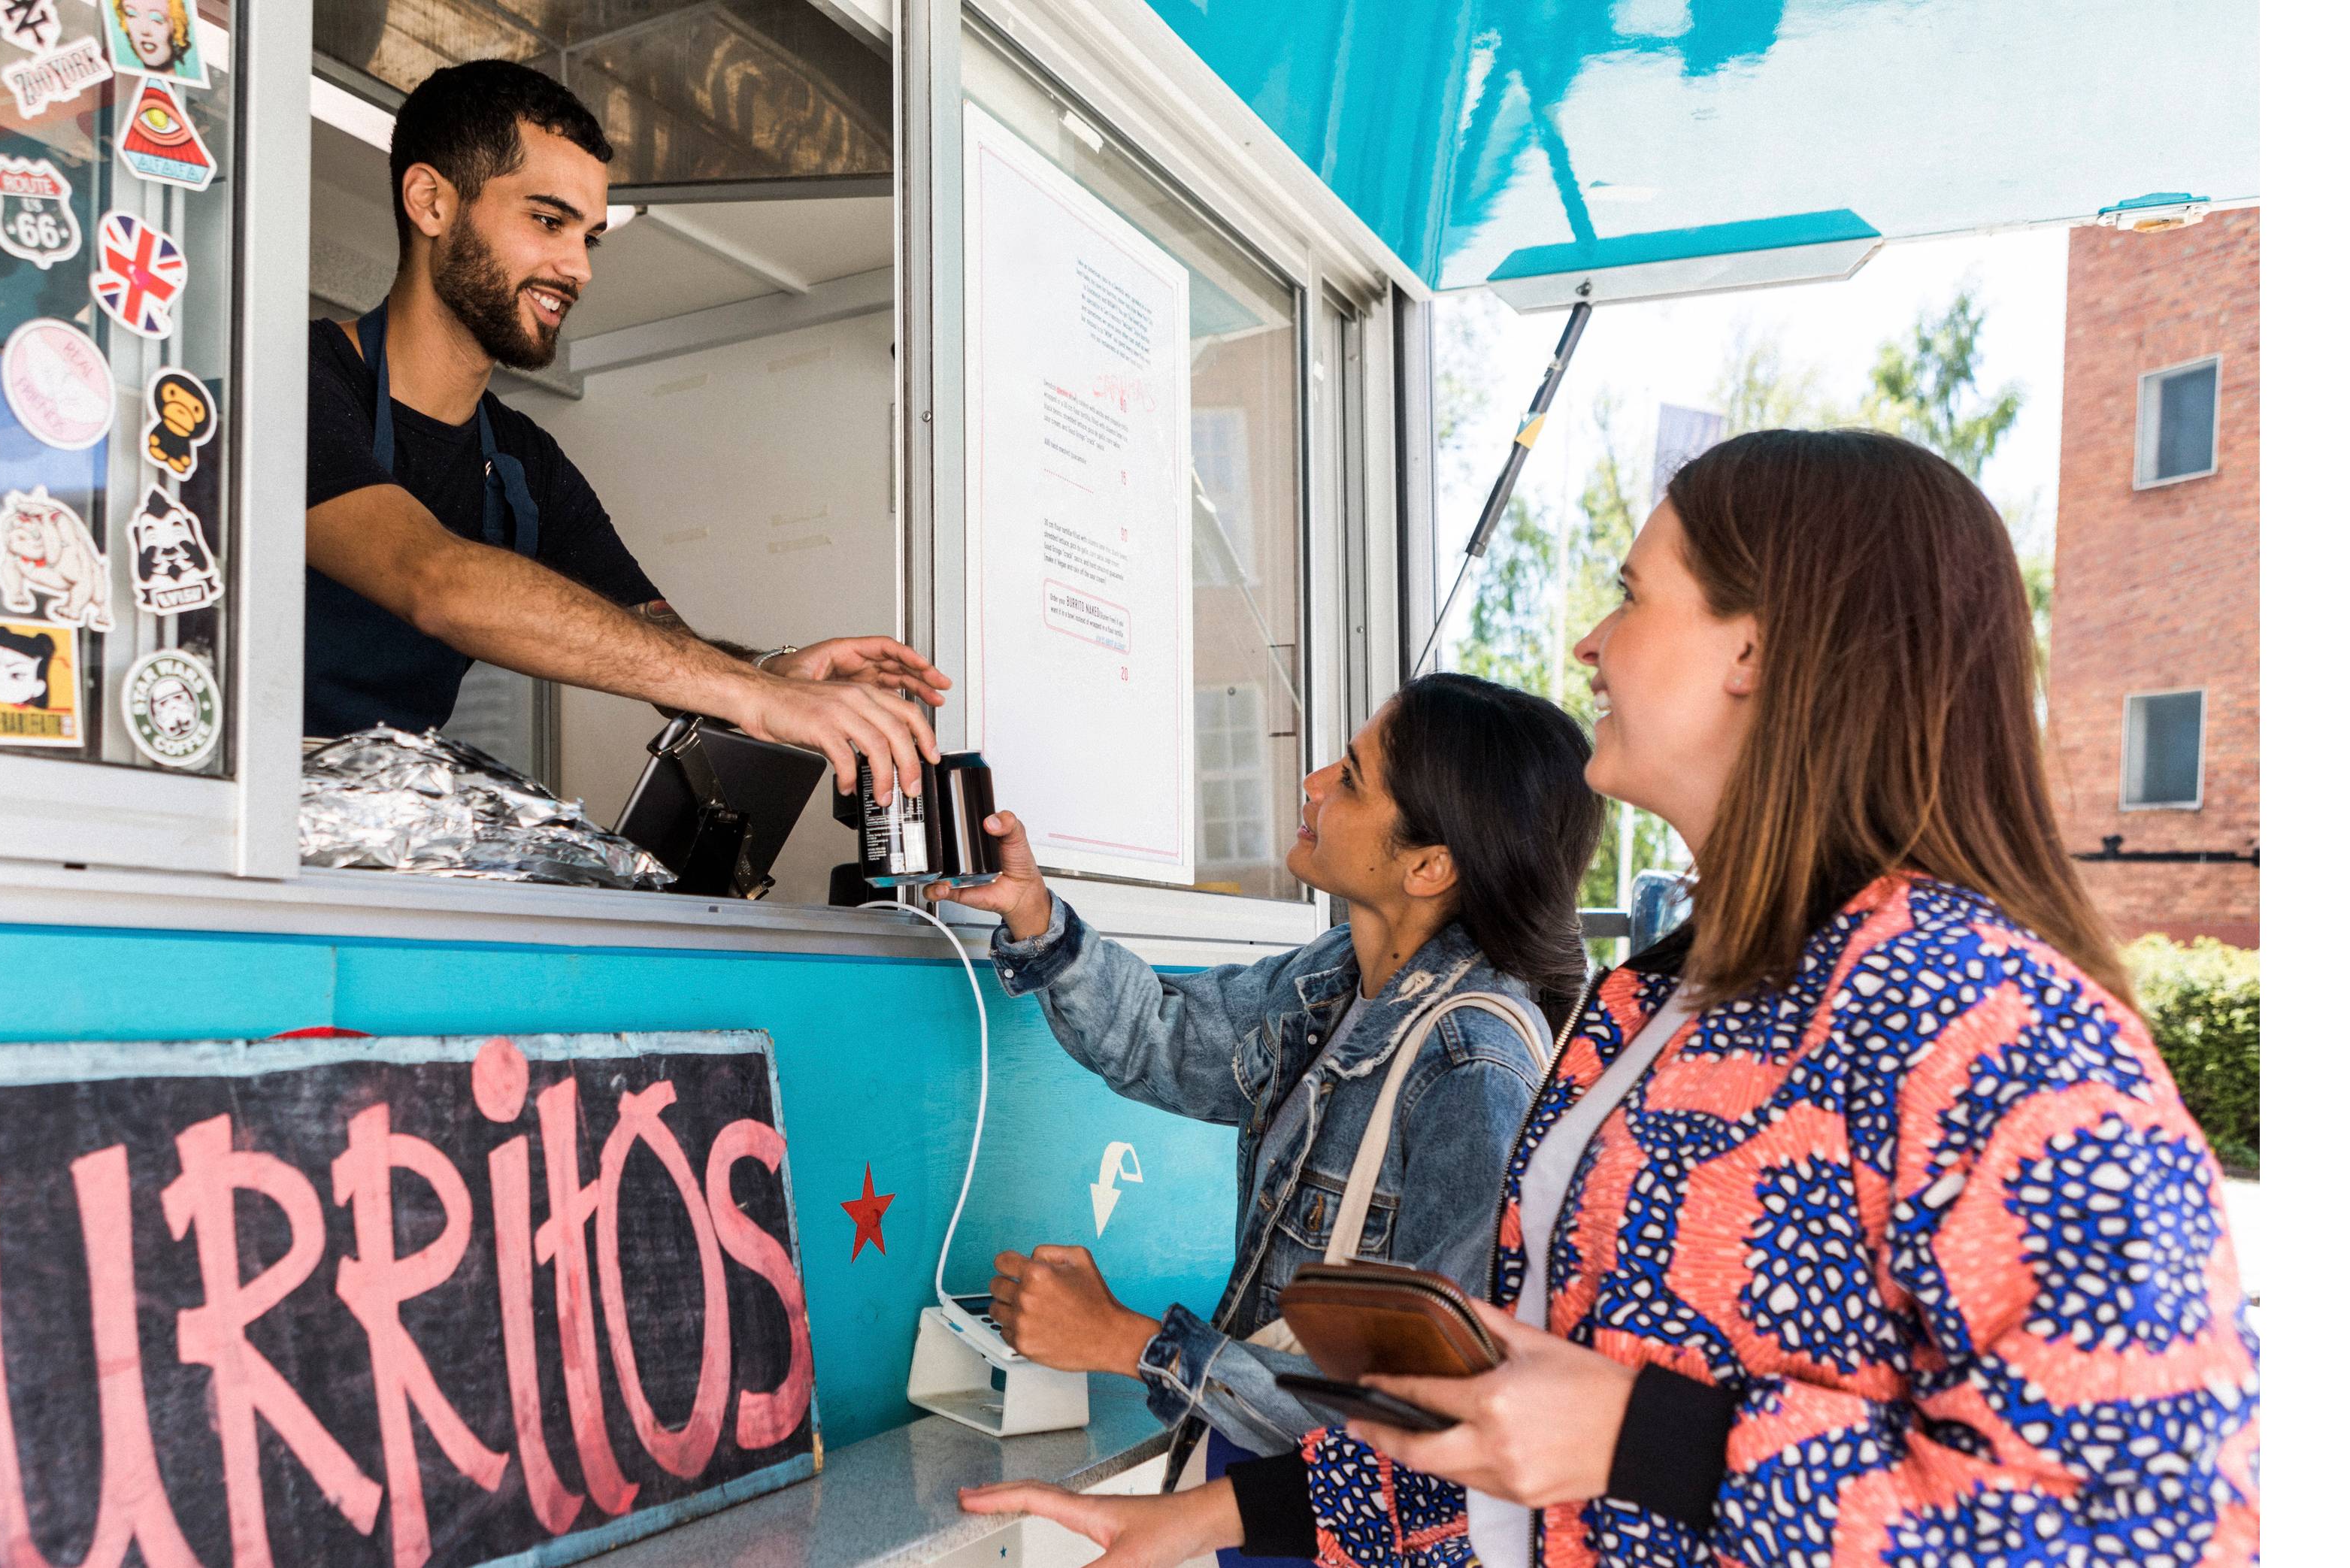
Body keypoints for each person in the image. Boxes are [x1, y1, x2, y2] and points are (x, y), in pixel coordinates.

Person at [958, 430, 2262, 1567]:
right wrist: (1226, 1518)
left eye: (1635, 594)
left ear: (1754, 647)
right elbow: (1532, 1423)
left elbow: (2153, 1524)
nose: (1590, 639)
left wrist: (1658, 1442)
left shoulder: (1999, 1028)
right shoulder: (1662, 1010)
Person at [934, 673, 1604, 1531]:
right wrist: (1035, 916)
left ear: (1430, 864)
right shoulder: (1335, 975)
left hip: (1320, 1526)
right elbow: (1163, 1038)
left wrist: (1124, 1339)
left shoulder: (1475, 1072)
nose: (1313, 781)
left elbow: (1433, 1423)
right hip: (1248, 1503)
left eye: (1352, 778)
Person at [304, 60, 947, 802]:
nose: (577, 268)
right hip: (219, 814)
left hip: (376, 825)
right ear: (431, 201)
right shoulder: (294, 379)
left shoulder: (521, 461)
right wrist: (749, 694)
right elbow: (436, 580)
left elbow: (654, 636)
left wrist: (768, 671)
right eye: (548, 220)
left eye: (590, 238)